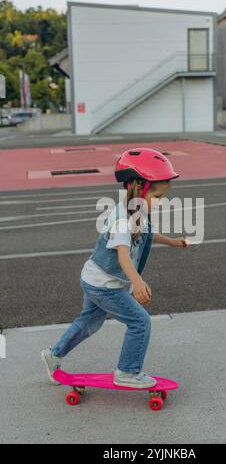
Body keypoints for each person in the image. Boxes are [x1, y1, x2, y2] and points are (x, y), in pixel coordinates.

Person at [41, 148, 189, 389]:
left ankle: (53, 354)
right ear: (140, 189)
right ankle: (127, 372)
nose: (161, 203)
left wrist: (173, 241)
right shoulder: (123, 219)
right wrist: (137, 282)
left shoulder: (136, 211)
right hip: (104, 285)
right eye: (158, 197)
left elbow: (147, 234)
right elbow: (122, 255)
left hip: (94, 277)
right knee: (140, 322)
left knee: (89, 322)